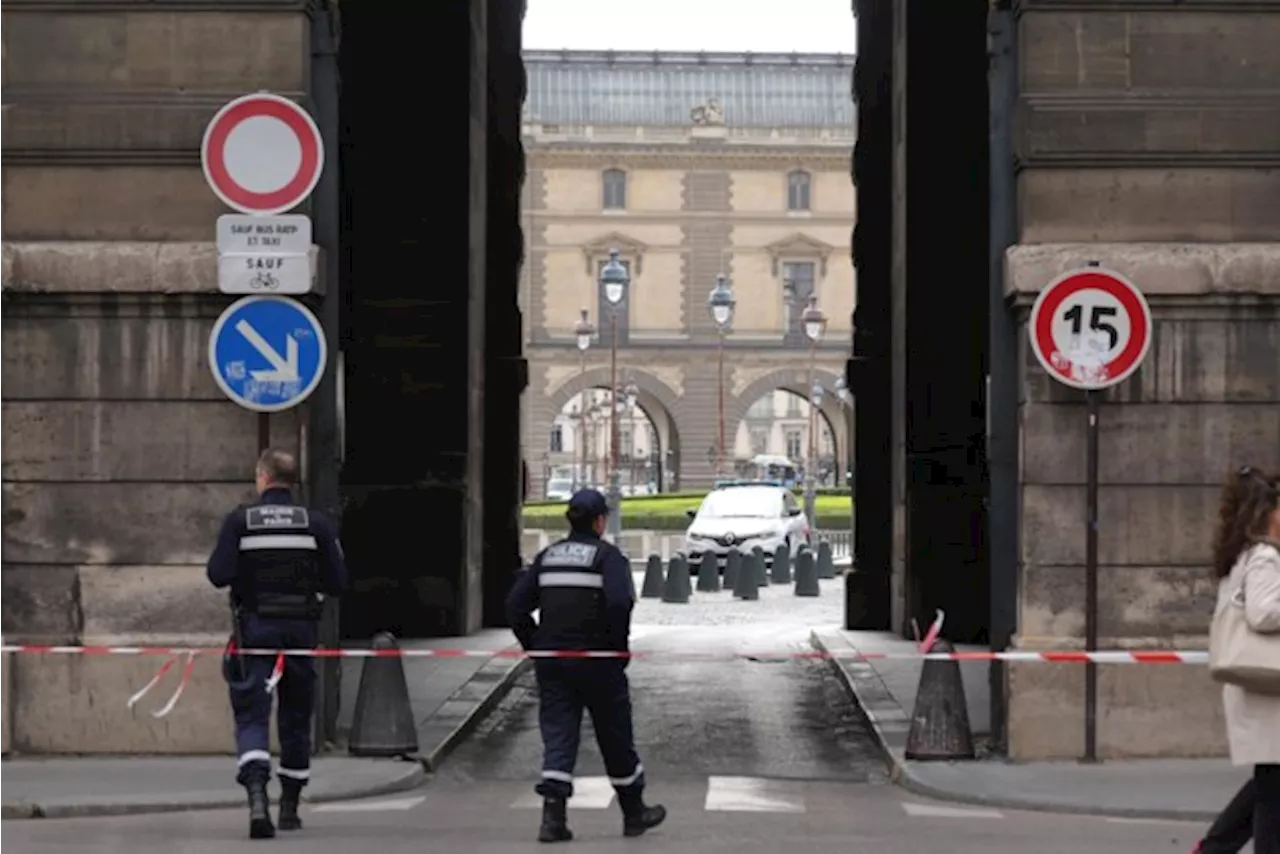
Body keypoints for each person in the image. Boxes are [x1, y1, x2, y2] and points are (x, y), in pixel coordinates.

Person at [506, 488, 666, 843]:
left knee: (559, 734)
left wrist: (536, 646)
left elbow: (515, 606)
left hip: (553, 663)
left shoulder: (547, 557)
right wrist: (616, 649)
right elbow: (620, 602)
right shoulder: (607, 558)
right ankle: (634, 811)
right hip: (598, 661)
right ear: (599, 521)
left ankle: (553, 819)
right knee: (614, 734)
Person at [206, 448, 348, 840]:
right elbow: (338, 582)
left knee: (252, 711)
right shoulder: (314, 524)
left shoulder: (241, 522)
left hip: (255, 630)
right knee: (297, 714)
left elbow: (218, 574)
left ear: (263, 478)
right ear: (292, 480)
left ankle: (256, 796)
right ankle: (289, 807)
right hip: (301, 631)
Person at [1196, 466, 1280, 854]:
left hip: (1261, 686)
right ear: (1268, 512)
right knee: (1272, 788)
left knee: (1270, 782)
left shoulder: (1244, 555)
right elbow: (1264, 612)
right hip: (1270, 688)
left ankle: (1213, 848)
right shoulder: (1264, 556)